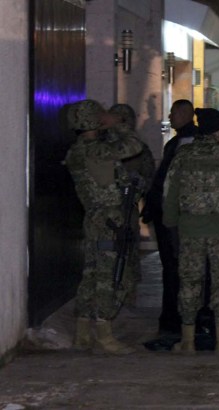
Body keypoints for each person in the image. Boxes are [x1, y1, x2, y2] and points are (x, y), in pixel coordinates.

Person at [163, 108, 219, 353]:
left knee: (189, 283)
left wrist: (171, 223)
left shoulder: (182, 154)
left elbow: (169, 193)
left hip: (190, 229)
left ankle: (187, 341)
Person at [64, 99, 145, 354]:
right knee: (112, 277)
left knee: (91, 275)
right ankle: (104, 332)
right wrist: (118, 124)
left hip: (95, 219)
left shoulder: (78, 150)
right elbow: (134, 146)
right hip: (109, 220)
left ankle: (82, 332)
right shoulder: (94, 150)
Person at [142, 99, 198, 335]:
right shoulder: (177, 141)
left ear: (186, 114)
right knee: (172, 267)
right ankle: (171, 318)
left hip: (173, 215)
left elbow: (170, 180)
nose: (170, 116)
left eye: (174, 112)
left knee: (174, 268)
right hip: (168, 212)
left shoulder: (186, 141)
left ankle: (173, 320)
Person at [107, 104, 155, 303]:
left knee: (127, 250)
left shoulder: (137, 148)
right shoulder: (106, 146)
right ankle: (119, 291)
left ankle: (127, 291)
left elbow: (148, 176)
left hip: (125, 208)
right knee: (114, 251)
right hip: (112, 208)